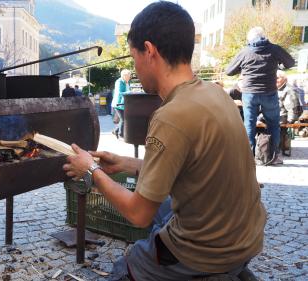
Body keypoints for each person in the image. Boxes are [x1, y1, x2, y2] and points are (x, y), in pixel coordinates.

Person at [63, 2, 265, 280]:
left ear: (149, 51)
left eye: (134, 58)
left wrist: (91, 171)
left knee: (127, 266)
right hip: (247, 237)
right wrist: (126, 163)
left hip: (206, 252)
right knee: (166, 209)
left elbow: (138, 214)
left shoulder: (170, 116)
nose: (135, 69)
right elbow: (189, 166)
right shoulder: (216, 94)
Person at [225, 26, 294, 164]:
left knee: (249, 124)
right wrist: (278, 65)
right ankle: (272, 156)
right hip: (269, 92)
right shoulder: (275, 49)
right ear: (264, 36)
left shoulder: (244, 52)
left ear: (250, 39)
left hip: (249, 94)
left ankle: (247, 157)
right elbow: (290, 62)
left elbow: (229, 71)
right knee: (273, 124)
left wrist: (242, 68)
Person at [112, 69, 131, 138]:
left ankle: (116, 131)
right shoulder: (119, 82)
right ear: (124, 76)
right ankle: (121, 134)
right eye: (128, 76)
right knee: (123, 119)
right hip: (118, 104)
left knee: (123, 119)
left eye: (129, 76)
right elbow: (119, 92)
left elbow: (127, 90)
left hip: (124, 104)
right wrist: (129, 92)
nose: (129, 77)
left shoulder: (126, 82)